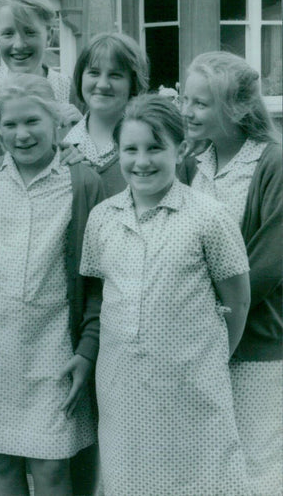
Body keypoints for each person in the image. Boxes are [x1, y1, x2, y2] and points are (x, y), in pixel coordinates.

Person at [80, 94, 251, 495]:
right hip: (122, 388)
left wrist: (210, 359)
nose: (142, 161)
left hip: (192, 387)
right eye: (131, 149)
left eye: (155, 148)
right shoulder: (103, 218)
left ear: (181, 149)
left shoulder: (208, 216)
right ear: (117, 152)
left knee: (197, 481)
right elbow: (97, 293)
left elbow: (238, 301)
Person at [0, 74, 103, 496]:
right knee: (4, 461)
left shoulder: (83, 183)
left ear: (57, 124)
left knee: (51, 467)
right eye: (9, 124)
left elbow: (99, 279)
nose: (21, 133)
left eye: (33, 121)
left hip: (54, 347)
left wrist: (88, 350)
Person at [179, 51, 282, 495]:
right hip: (197, 343)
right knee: (210, 465)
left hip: (258, 344)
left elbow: (267, 264)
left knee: (259, 467)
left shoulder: (272, 163)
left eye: (201, 103)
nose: (187, 110)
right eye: (186, 98)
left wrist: (211, 317)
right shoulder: (192, 163)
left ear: (236, 109)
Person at [63, 32, 149, 197]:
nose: (102, 85)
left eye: (115, 75)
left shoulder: (148, 143)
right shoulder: (62, 143)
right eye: (94, 73)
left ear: (133, 83)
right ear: (80, 77)